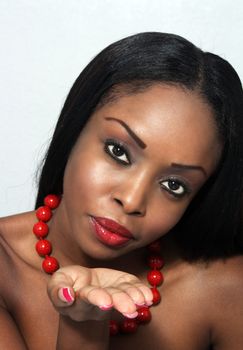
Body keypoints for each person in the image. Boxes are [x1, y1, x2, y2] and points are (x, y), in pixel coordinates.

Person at [0, 32, 243, 350]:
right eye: (118, 152)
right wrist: (84, 325)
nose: (131, 201)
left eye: (174, 185)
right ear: (75, 128)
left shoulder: (221, 288)